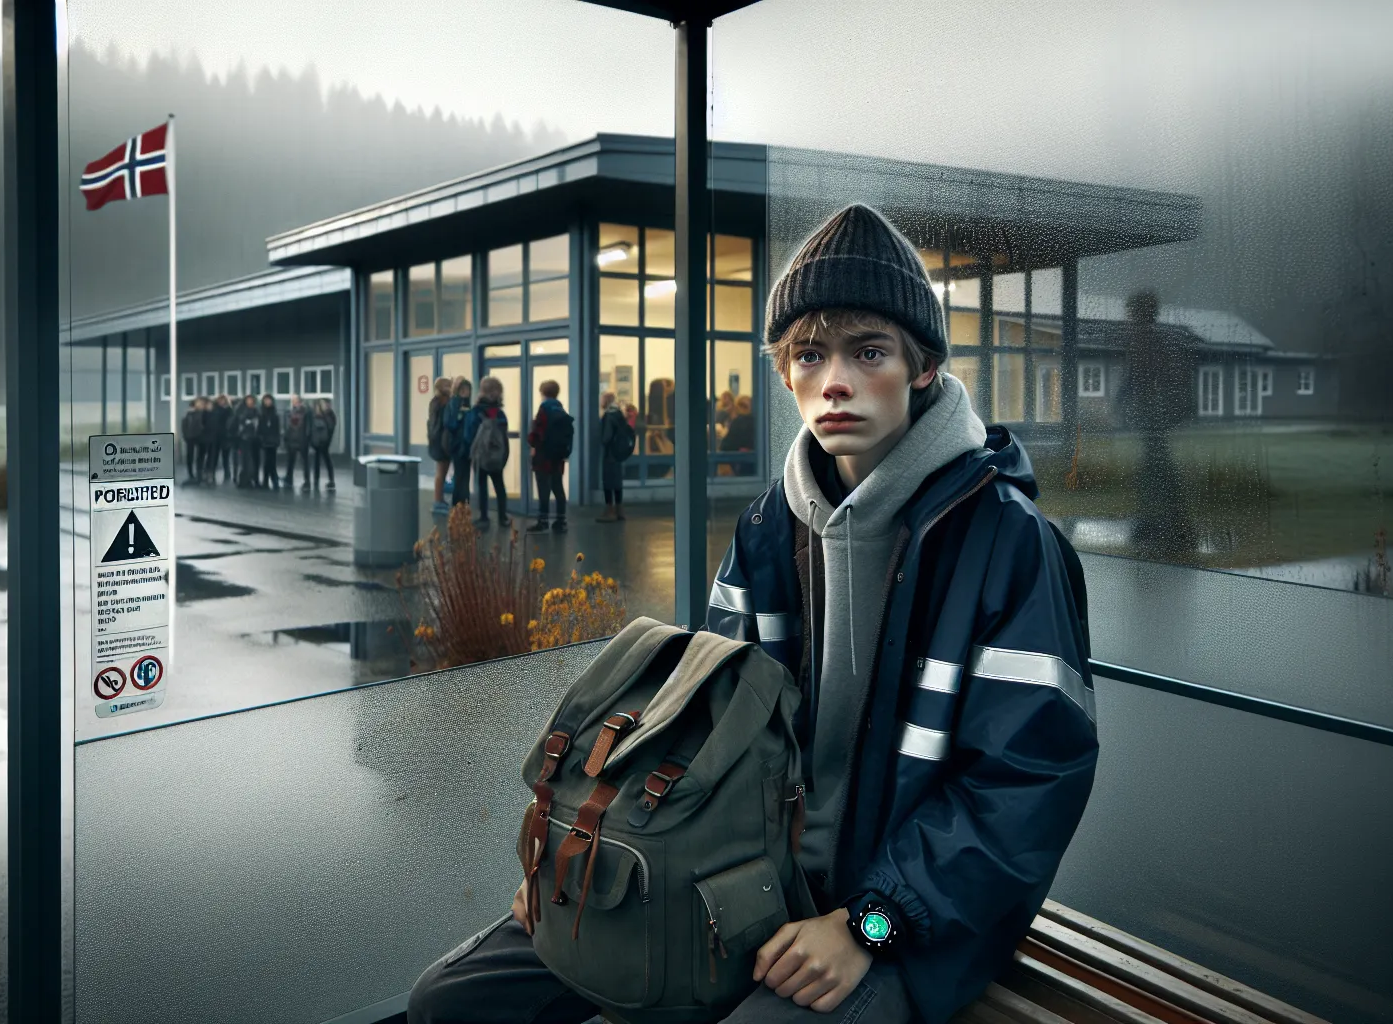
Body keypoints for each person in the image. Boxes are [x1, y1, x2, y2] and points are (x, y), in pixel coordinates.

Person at [408, 205, 1098, 1024]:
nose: (834, 380)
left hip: (895, 923)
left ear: (922, 369)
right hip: (736, 881)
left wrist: (869, 924)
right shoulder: (771, 526)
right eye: (810, 355)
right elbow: (700, 725)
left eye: (867, 352)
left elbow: (1023, 787)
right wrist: (576, 862)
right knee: (450, 1003)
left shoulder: (1009, 544)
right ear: (785, 374)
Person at [461, 375, 510, 529]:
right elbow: (504, 433)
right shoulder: (500, 413)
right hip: (497, 457)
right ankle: (502, 517)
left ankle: (484, 518)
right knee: (499, 485)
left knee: (482, 485)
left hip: (480, 457)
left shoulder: (475, 412)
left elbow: (468, 434)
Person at [524, 380, 571, 534]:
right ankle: (561, 521)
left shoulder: (544, 409)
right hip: (558, 456)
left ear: (543, 393)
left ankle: (543, 521)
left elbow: (538, 432)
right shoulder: (561, 409)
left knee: (543, 489)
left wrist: (531, 442)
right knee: (558, 488)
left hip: (543, 456)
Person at [594, 390, 631, 523]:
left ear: (606, 401)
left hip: (610, 454)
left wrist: (602, 441)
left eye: (602, 400)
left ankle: (609, 511)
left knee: (608, 481)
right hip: (619, 453)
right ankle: (620, 510)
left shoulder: (609, 416)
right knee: (617, 482)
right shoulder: (619, 414)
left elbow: (606, 437)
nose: (600, 403)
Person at [425, 376, 453, 514]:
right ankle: (438, 502)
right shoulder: (444, 404)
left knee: (441, 473)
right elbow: (445, 423)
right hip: (442, 443)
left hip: (436, 442)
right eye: (449, 385)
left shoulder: (434, 402)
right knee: (441, 473)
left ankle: (439, 499)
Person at [446, 377, 473, 506]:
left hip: (467, 445)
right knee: (459, 476)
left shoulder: (468, 404)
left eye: (467, 390)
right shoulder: (453, 403)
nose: (465, 392)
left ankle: (464, 503)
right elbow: (449, 424)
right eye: (463, 390)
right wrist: (459, 417)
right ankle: (457, 504)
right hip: (457, 445)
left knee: (465, 476)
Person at [717, 392, 757, 476]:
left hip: (739, 468)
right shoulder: (759, 422)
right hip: (754, 468)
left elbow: (725, 446)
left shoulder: (738, 422)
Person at [283, 396, 313, 490]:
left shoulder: (306, 412)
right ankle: (288, 480)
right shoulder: (289, 412)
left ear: (300, 402)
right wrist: (286, 438)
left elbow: (309, 426)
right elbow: (286, 426)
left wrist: (307, 438)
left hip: (302, 439)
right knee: (290, 461)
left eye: (296, 401)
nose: (294, 403)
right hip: (291, 440)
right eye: (293, 401)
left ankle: (307, 481)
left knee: (304, 462)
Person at [204, 392, 232, 483]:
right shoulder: (217, 411)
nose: (222, 402)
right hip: (216, 437)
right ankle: (212, 474)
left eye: (223, 400)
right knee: (214, 456)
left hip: (225, 437)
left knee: (225, 457)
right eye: (220, 400)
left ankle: (227, 474)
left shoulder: (228, 410)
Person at [310, 397, 337, 490]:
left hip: (325, 442)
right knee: (317, 461)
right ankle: (316, 480)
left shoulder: (329, 415)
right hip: (317, 442)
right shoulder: (315, 415)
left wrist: (327, 440)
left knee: (326, 460)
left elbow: (331, 428)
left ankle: (331, 480)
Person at [233, 394, 259, 488]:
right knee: (246, 461)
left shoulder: (256, 411)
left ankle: (250, 480)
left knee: (252, 461)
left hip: (254, 439)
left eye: (252, 400)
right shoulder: (241, 411)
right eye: (249, 400)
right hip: (244, 439)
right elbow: (239, 423)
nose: (250, 402)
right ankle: (244, 480)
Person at [257, 393, 282, 488]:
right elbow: (260, 428)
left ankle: (273, 480)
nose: (268, 402)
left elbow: (277, 428)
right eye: (266, 400)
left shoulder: (275, 414)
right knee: (267, 461)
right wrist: (261, 438)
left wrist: (277, 439)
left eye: (269, 400)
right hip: (265, 440)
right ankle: (266, 480)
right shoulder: (261, 414)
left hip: (273, 440)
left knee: (272, 461)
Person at [180, 396, 208, 482]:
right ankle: (190, 473)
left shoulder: (204, 413)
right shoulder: (189, 414)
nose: (200, 405)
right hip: (191, 437)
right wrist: (185, 435)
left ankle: (199, 472)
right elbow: (184, 424)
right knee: (190, 455)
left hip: (201, 437)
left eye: (202, 403)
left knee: (201, 455)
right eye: (199, 403)